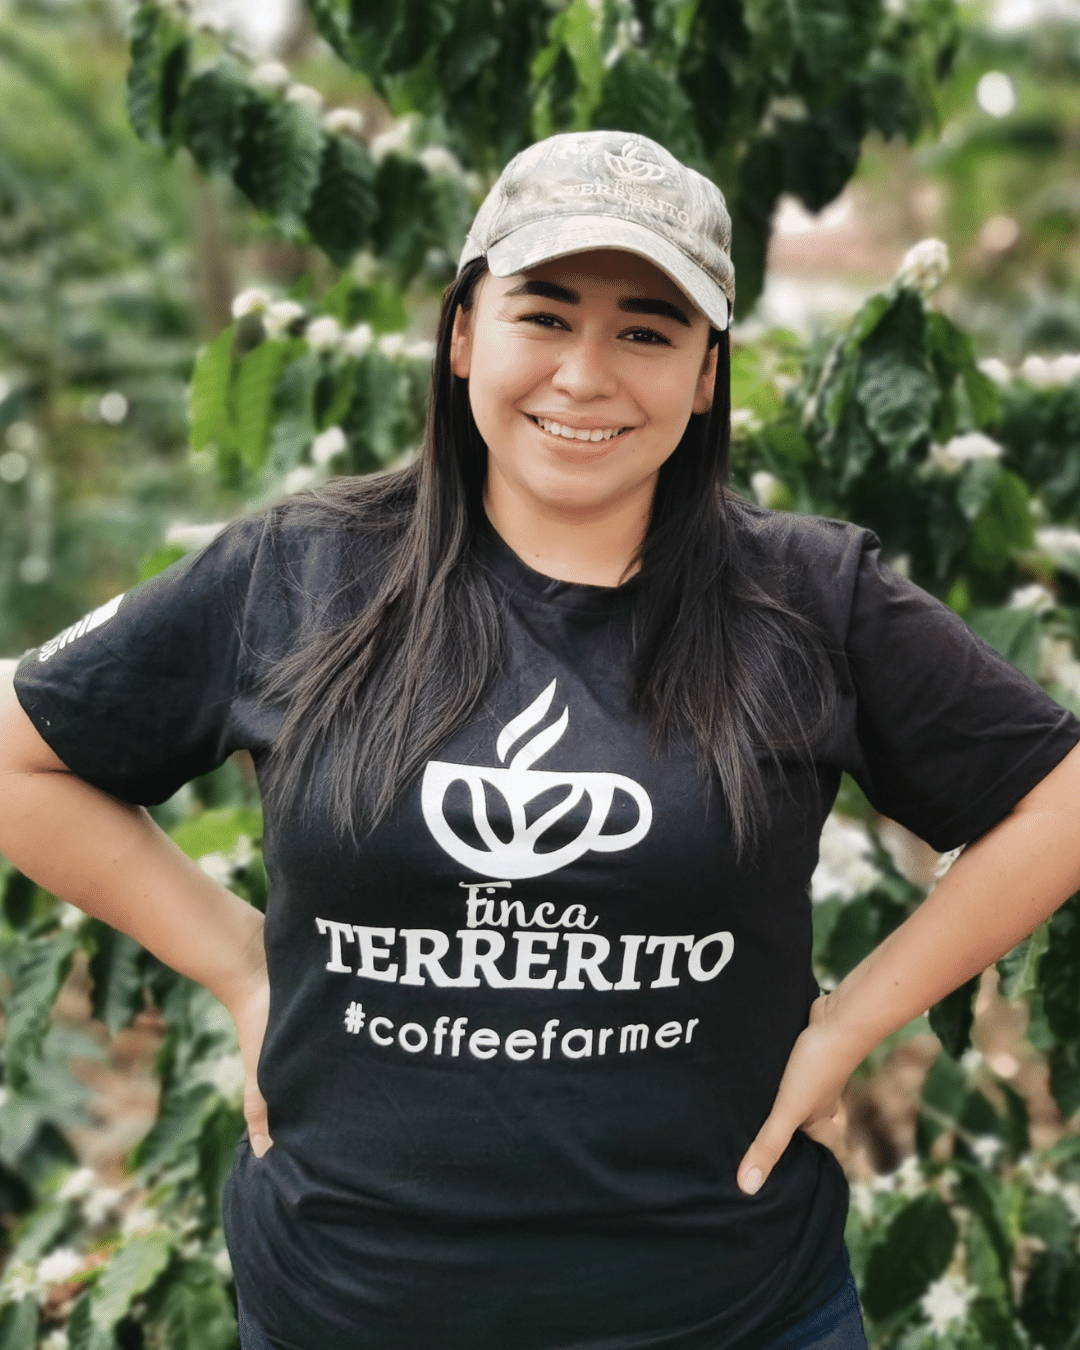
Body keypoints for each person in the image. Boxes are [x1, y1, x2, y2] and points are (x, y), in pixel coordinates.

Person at [3, 127, 1080, 1350]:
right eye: (545, 314)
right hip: (350, 1307)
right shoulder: (298, 572)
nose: (586, 374)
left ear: (707, 374)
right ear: (465, 333)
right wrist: (242, 967)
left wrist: (853, 1023)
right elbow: (18, 753)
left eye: (648, 330)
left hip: (730, 1312)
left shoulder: (808, 597)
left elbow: (1059, 798)